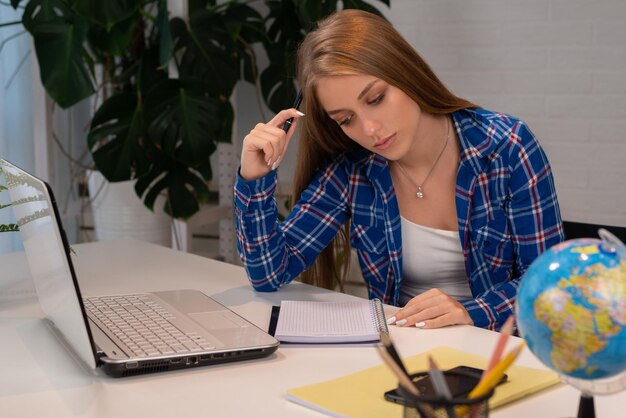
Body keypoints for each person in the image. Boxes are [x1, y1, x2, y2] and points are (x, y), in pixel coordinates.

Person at [233, 9, 563, 331]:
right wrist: (255, 177)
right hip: (404, 356)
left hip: (497, 356)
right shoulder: (353, 170)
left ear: (405, 73)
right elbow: (267, 273)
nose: (371, 129)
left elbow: (550, 286)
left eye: (376, 98)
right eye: (346, 119)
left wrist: (469, 312)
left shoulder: (507, 147)